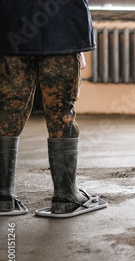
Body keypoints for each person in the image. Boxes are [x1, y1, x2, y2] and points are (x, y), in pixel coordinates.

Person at [0, 0, 107, 217]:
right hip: (63, 27)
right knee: (61, 111)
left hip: (10, 26)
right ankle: (66, 197)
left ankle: (3, 197)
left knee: (8, 110)